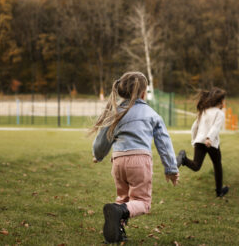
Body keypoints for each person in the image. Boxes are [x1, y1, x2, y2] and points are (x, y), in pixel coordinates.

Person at [91, 71, 179, 244]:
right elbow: (164, 143)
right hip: (140, 161)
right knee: (142, 202)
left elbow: (102, 139)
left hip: (118, 162)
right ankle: (117, 214)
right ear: (144, 93)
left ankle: (116, 232)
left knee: (123, 200)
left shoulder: (116, 112)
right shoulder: (151, 114)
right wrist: (171, 169)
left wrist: (98, 156)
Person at [177, 87, 229, 197]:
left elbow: (194, 127)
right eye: (224, 100)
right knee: (217, 164)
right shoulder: (219, 113)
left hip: (199, 141)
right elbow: (215, 127)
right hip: (211, 143)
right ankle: (219, 191)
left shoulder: (204, 111)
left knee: (196, 166)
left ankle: (183, 159)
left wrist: (194, 141)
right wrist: (209, 138)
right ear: (220, 101)